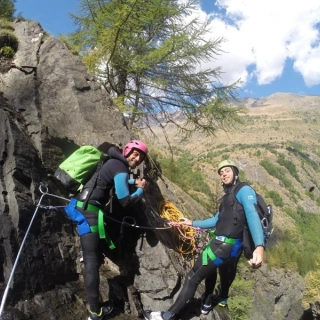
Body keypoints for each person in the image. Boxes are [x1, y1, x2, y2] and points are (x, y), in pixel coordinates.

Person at [144, 159, 264, 320]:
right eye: (221, 173)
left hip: (222, 245)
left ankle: (168, 316)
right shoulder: (229, 197)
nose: (223, 175)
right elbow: (215, 221)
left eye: (227, 170)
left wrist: (259, 246)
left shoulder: (243, 189)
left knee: (192, 277)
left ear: (235, 172)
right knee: (212, 270)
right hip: (232, 248)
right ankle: (207, 302)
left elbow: (252, 214)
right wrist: (190, 223)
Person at [70, 140, 148, 320]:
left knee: (92, 253)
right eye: (135, 154)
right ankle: (95, 313)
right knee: (92, 261)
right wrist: (141, 191)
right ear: (127, 151)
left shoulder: (112, 160)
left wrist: (132, 180)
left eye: (140, 158)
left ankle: (89, 249)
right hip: (89, 213)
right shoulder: (120, 167)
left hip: (80, 206)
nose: (136, 159)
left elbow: (109, 177)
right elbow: (125, 200)